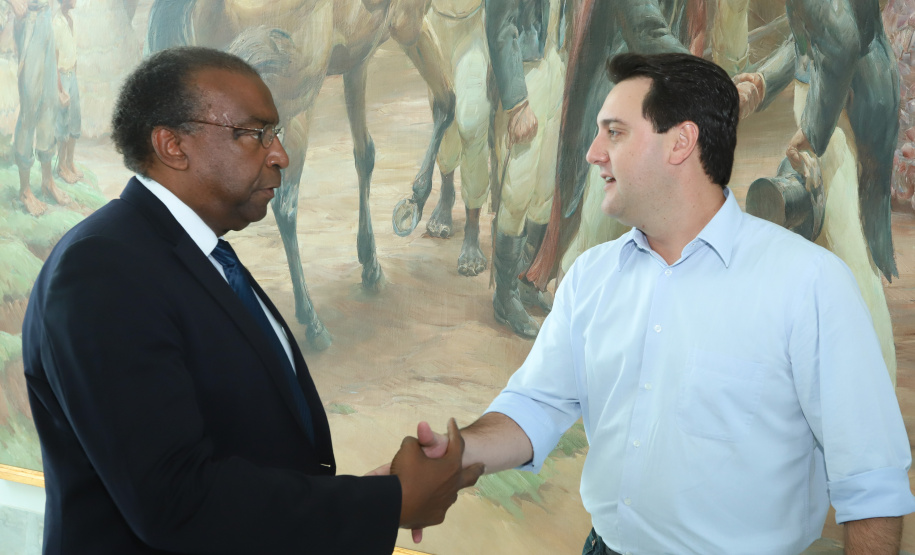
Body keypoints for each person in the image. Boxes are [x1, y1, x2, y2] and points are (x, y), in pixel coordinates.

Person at [413, 53, 915, 554]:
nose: (592, 152)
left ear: (681, 142)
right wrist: (455, 455)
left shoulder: (810, 284)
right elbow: (536, 406)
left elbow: (870, 488)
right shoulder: (591, 276)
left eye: (614, 132)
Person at [22, 46, 483, 554]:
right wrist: (384, 503)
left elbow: (239, 440)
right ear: (173, 145)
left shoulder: (197, 254)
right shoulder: (102, 271)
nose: (280, 152)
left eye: (277, 133)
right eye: (255, 134)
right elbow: (176, 500)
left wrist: (345, 496)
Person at [6, 0, 70, 215]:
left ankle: (47, 181)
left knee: (48, 106)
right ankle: (25, 191)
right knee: (29, 111)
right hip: (29, 21)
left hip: (45, 18)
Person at [52, 0, 83, 184]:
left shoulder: (70, 20)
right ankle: (61, 165)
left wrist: (75, 77)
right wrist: (60, 90)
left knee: (75, 120)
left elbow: (73, 52)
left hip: (72, 75)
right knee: (62, 123)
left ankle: (70, 162)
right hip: (61, 77)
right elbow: (53, 62)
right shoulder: (56, 23)